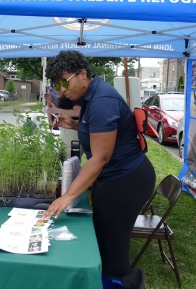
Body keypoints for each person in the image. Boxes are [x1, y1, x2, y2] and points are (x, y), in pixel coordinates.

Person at [43, 50, 156, 288]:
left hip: (127, 180)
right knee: (105, 238)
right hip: (114, 177)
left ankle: (118, 282)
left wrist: (69, 196)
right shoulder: (91, 95)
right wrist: (73, 124)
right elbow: (96, 130)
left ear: (82, 74)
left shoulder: (103, 102)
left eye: (65, 82)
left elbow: (100, 157)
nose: (62, 90)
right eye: (57, 85)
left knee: (113, 245)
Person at [45, 91, 81, 157]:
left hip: (72, 131)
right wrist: (51, 101)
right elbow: (62, 109)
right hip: (65, 130)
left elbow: (77, 112)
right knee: (65, 160)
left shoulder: (73, 95)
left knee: (69, 162)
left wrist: (57, 110)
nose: (55, 90)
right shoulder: (64, 96)